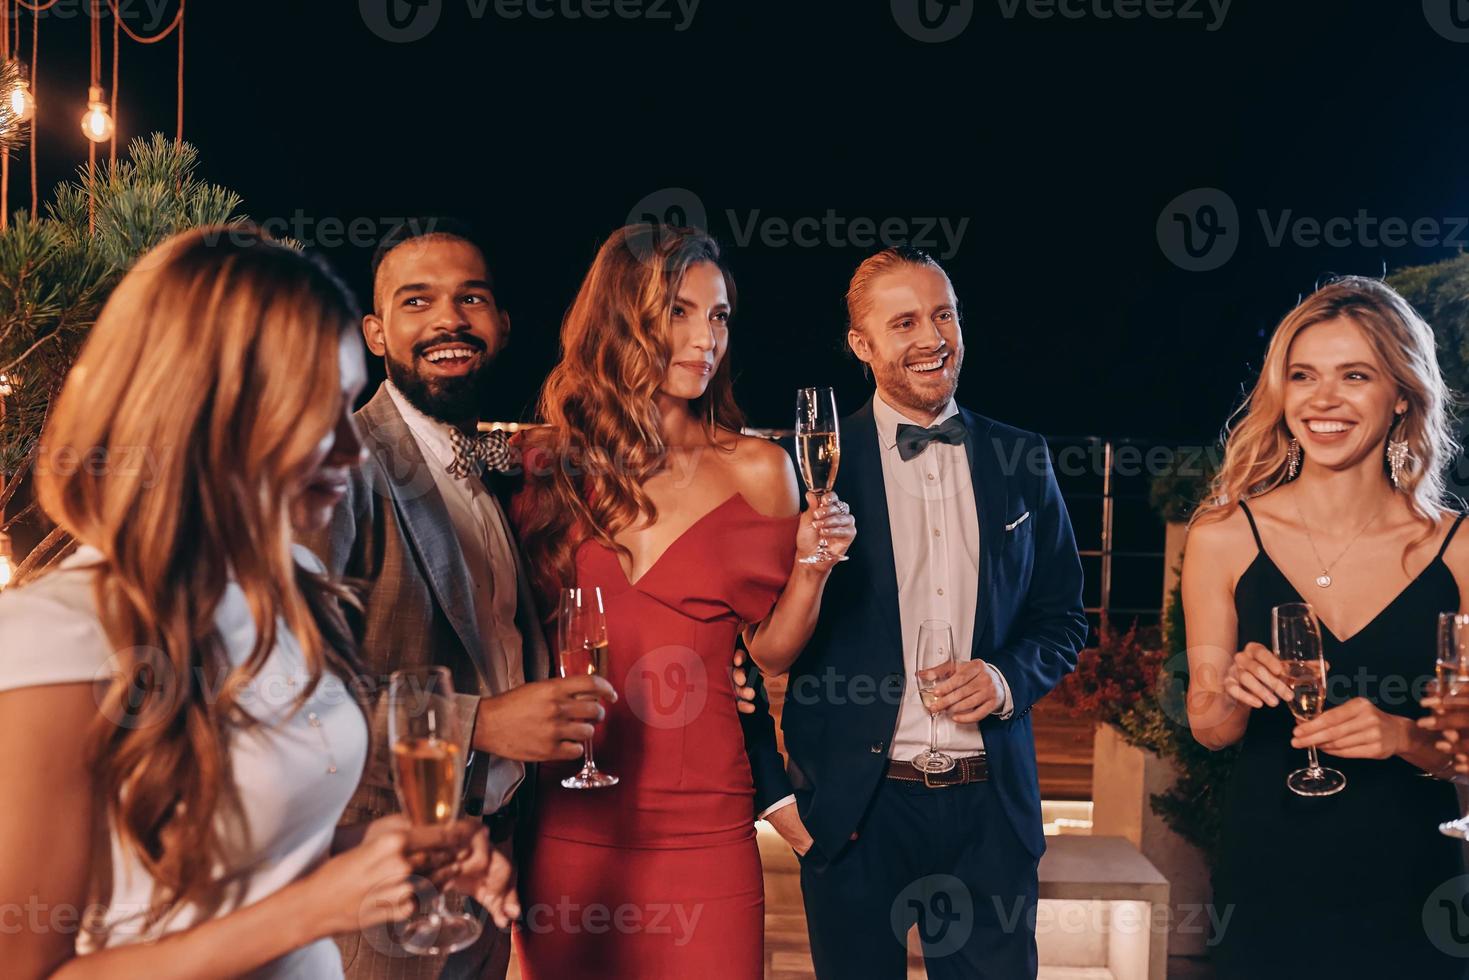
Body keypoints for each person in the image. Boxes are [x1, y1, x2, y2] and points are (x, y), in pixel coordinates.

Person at [0, 226, 486, 979]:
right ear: (203, 410)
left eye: (348, 406)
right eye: (315, 412)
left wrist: (390, 854)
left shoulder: (291, 585)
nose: (352, 450)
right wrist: (316, 907)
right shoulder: (56, 634)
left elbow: (258, 861)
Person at [508, 224, 855, 979]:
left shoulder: (759, 467)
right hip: (572, 816)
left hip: (706, 825)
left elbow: (768, 650)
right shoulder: (551, 466)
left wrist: (811, 569)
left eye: (720, 316)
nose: (705, 338)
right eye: (679, 312)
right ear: (622, 318)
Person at [306, 219, 617, 980]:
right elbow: (298, 687)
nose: (449, 320)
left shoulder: (485, 468)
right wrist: (484, 723)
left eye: (469, 299)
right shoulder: (340, 465)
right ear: (375, 333)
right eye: (418, 303)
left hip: (488, 867)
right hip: (375, 879)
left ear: (501, 325)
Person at [775, 245, 1087, 979]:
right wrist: (778, 801)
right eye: (905, 321)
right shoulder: (809, 465)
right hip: (855, 813)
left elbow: (1063, 618)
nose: (931, 337)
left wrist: (1006, 678)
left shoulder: (1023, 456)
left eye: (943, 314)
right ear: (862, 344)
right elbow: (755, 642)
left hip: (991, 814)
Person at [1182, 276, 1467, 978]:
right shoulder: (1224, 534)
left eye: (1355, 375)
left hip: (1415, 890)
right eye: (1303, 375)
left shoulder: (1457, 549)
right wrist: (1232, 690)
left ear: (1400, 393)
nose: (1323, 399)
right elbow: (1208, 726)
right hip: (1267, 879)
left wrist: (1404, 737)